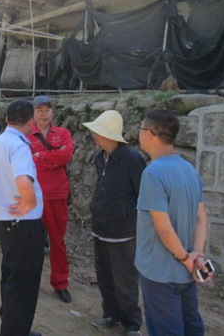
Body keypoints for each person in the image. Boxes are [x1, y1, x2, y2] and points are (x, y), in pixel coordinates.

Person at [136, 109, 212, 336]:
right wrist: (196, 255)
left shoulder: (152, 174)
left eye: (140, 129)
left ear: (149, 134)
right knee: (191, 326)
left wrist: (185, 259)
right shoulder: (189, 169)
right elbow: (201, 218)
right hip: (185, 271)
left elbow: (163, 228)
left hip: (160, 273)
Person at [0, 99, 44, 336]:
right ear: (31, 121)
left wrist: (2, 192)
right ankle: (15, 331)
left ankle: (14, 327)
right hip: (24, 224)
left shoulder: (0, 141)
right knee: (24, 281)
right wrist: (30, 202)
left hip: (7, 222)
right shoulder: (19, 145)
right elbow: (23, 180)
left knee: (11, 277)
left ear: (6, 119)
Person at [83, 110, 144, 336]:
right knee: (104, 275)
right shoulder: (101, 157)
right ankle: (110, 313)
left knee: (125, 278)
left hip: (122, 230)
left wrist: (127, 214)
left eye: (97, 132)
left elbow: (142, 194)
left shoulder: (132, 159)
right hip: (101, 226)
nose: (94, 136)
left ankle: (132, 323)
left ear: (109, 135)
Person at [27, 96, 74, 303]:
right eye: (40, 109)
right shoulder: (27, 135)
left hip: (57, 194)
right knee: (33, 241)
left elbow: (67, 156)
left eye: (47, 109)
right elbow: (28, 160)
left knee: (57, 240)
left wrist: (40, 157)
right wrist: (54, 156)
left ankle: (60, 283)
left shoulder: (63, 133)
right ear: (33, 113)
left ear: (52, 112)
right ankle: (30, 282)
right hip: (33, 194)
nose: (44, 113)